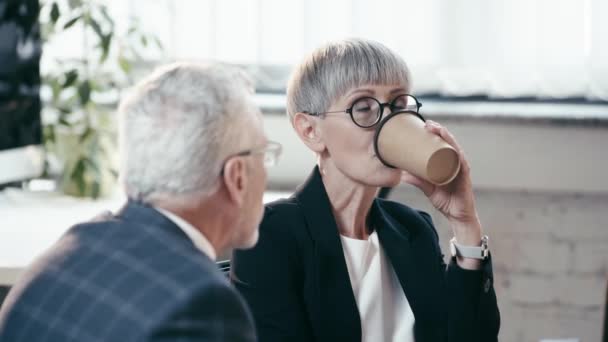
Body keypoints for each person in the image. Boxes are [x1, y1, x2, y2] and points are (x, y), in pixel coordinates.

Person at [231, 39, 500, 342]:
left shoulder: (412, 229)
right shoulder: (270, 235)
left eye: (398, 106)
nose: (390, 122)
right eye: (364, 108)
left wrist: (464, 223)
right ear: (311, 131)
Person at [0, 62, 281, 341]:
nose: (267, 171)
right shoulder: (203, 305)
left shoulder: (52, 263)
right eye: (264, 155)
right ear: (237, 177)